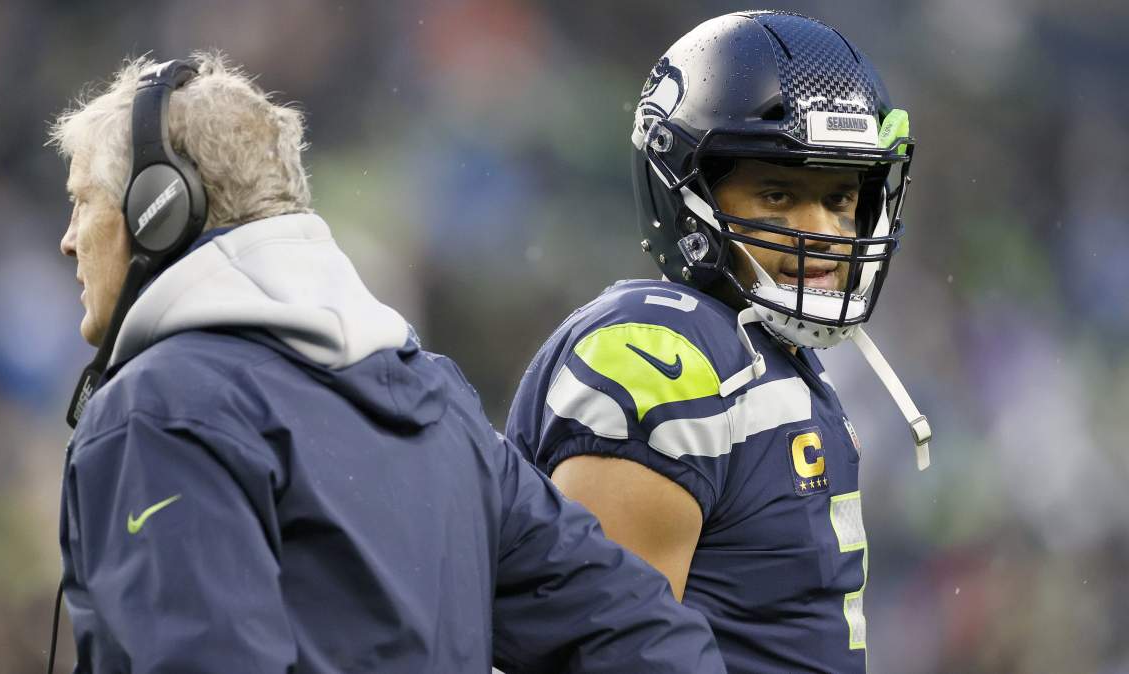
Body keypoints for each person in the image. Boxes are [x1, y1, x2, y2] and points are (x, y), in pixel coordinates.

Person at [48, 53, 725, 674]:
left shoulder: (160, 410)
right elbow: (646, 638)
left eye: (82, 201)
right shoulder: (437, 399)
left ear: (160, 207)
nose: (69, 240)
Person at [505, 11, 933, 673]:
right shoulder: (661, 355)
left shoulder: (772, 354)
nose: (823, 232)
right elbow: (608, 654)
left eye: (840, 199)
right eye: (779, 194)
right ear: (686, 198)